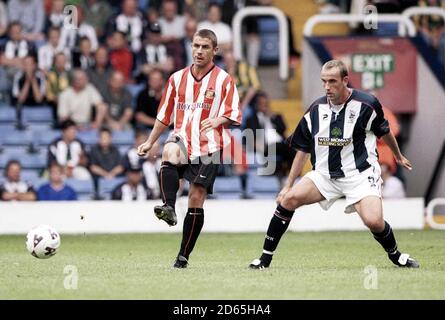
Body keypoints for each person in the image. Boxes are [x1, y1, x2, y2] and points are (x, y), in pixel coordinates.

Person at [249, 60, 419, 270]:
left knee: (374, 221)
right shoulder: (316, 110)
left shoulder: (366, 105)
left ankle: (395, 255)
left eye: (332, 81)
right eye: (324, 82)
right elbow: (303, 148)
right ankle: (264, 259)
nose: (327, 87)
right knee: (289, 200)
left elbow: (384, 131)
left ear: (345, 80)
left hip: (360, 174)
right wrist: (288, 185)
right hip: (324, 175)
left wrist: (399, 156)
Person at [137, 29, 241, 268]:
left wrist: (218, 120)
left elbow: (234, 114)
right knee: (168, 151)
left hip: (210, 146)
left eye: (205, 47)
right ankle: (169, 207)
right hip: (183, 138)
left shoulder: (224, 79)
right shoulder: (176, 78)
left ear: (215, 51)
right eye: (196, 46)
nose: (199, 51)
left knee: (196, 197)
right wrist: (150, 141)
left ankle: (183, 256)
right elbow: (164, 116)